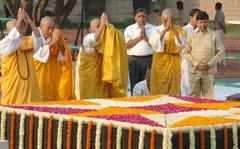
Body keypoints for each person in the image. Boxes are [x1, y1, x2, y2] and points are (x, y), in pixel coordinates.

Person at [75, 13, 128, 99]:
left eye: (102, 26)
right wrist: (103, 24)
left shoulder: (105, 41)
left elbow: (117, 38)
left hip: (99, 77)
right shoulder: (87, 38)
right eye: (97, 26)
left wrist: (109, 27)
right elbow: (95, 39)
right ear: (90, 29)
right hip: (88, 77)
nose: (102, 29)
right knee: (89, 98)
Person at [0, 8, 43, 104]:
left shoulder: (27, 41)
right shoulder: (4, 44)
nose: (19, 31)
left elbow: (39, 40)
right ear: (8, 32)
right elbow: (12, 38)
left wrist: (30, 22)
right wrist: (19, 21)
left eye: (20, 28)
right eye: (16, 29)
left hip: (29, 87)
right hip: (13, 87)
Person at [183, 11, 225, 99]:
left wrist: (209, 64)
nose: (202, 25)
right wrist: (196, 63)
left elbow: (221, 52)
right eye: (200, 22)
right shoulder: (191, 35)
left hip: (209, 71)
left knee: (209, 97)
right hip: (195, 70)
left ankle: (208, 113)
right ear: (197, 22)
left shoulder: (214, 35)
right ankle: (194, 113)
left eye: (205, 22)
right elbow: (185, 52)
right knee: (194, 97)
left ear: (208, 21)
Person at [33, 16, 75, 101]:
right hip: (38, 76)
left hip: (51, 76)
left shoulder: (53, 37)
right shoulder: (35, 37)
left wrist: (59, 42)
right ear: (41, 27)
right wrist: (52, 42)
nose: (50, 31)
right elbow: (39, 54)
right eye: (48, 28)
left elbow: (63, 56)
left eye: (52, 28)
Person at [149, 9, 186, 96]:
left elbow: (183, 44)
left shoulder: (179, 30)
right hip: (160, 63)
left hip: (174, 63)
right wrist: (165, 29)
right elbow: (153, 43)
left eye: (170, 21)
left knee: (174, 88)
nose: (168, 23)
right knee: (159, 88)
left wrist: (173, 30)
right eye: (165, 21)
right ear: (161, 19)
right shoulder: (156, 29)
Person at [124, 8, 155, 95]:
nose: (141, 18)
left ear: (147, 17)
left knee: (150, 82)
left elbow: (156, 46)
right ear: (135, 18)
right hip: (134, 60)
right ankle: (135, 102)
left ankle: (151, 101)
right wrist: (139, 38)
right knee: (134, 81)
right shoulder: (129, 29)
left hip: (148, 59)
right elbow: (127, 45)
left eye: (143, 16)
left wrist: (146, 39)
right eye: (139, 16)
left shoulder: (153, 29)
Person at [181, 8, 200, 96]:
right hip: (188, 62)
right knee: (187, 87)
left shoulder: (202, 30)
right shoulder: (184, 30)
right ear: (190, 17)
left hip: (200, 62)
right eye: (197, 17)